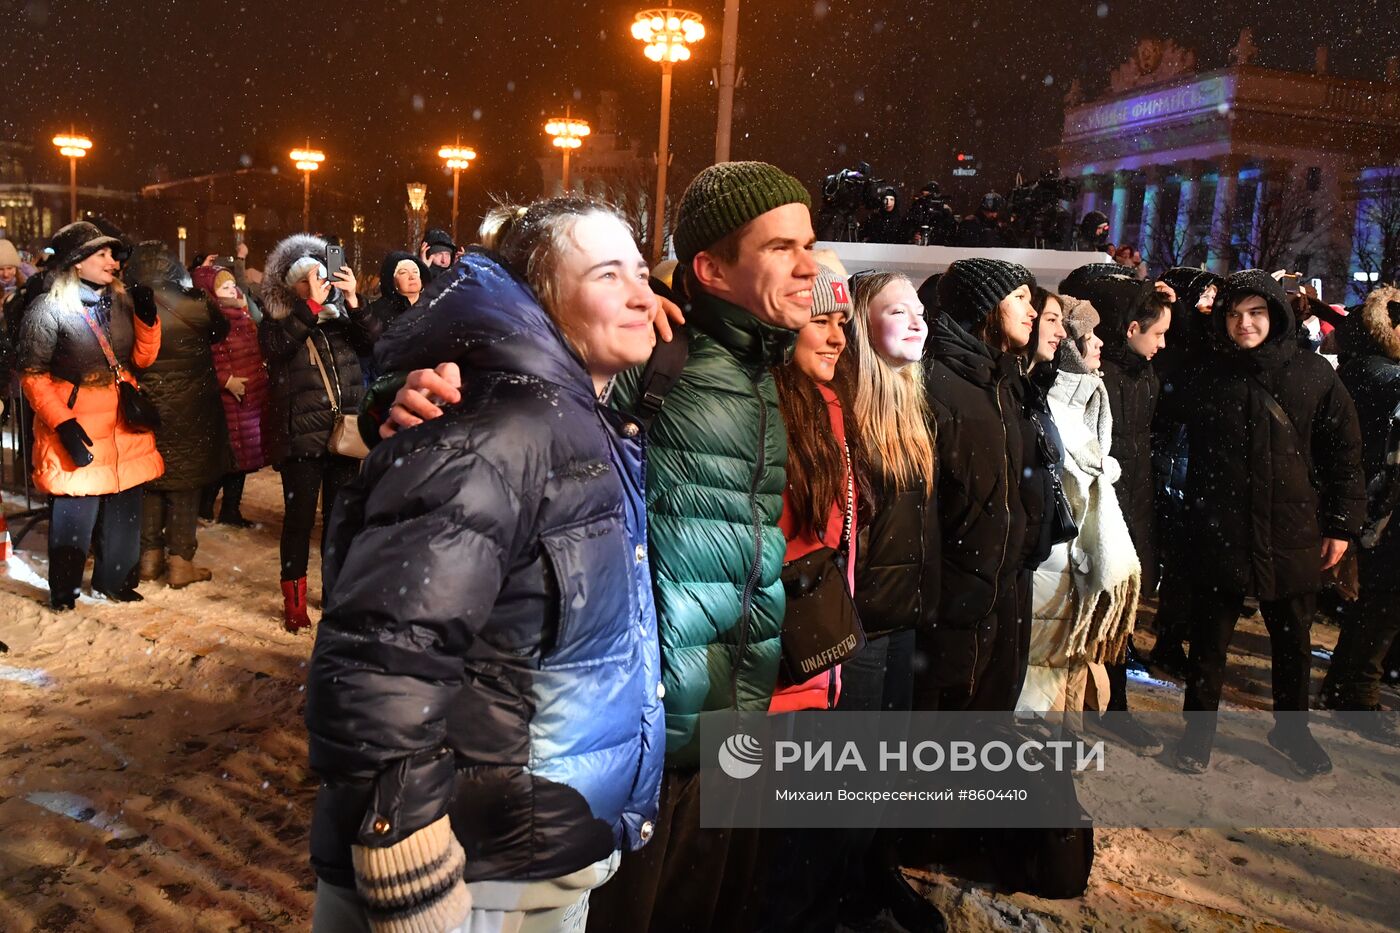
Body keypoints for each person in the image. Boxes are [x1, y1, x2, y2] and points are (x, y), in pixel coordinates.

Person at [378, 162, 818, 933]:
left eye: (808, 245)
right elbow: (500, 385)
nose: (809, 266)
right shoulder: (657, 361)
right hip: (623, 745)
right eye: (784, 247)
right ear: (712, 269)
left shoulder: (753, 368)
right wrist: (404, 395)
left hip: (725, 717)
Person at [305, 197, 664, 932]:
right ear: (541, 299)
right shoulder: (495, 433)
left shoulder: (582, 420)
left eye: (639, 268)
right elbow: (383, 660)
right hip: (479, 875)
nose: (640, 293)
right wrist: (409, 866)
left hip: (535, 850)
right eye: (606, 274)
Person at [1175, 270, 1364, 776]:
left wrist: (1342, 525)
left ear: (1276, 314)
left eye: (1256, 312)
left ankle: (1292, 731)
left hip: (1292, 530)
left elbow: (1345, 454)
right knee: (1210, 640)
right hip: (1221, 528)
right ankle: (1197, 734)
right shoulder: (1205, 371)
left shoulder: (1313, 374)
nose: (1244, 324)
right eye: (1235, 314)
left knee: (1294, 641)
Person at [17, 222, 164, 609]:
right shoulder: (48, 309)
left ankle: (114, 580)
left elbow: (142, 360)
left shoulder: (121, 302)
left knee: (125, 506)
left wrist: (149, 322)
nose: (111, 261)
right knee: (75, 511)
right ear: (76, 263)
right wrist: (62, 423)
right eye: (100, 254)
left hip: (122, 422)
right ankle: (64, 591)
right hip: (77, 422)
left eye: (112, 254)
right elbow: (33, 376)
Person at [1061, 276, 1173, 754]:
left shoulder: (1146, 374)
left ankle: (1112, 704)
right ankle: (1095, 711)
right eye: (1158, 333)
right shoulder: (1097, 375)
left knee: (1120, 621)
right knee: (1091, 616)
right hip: (1107, 508)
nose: (1163, 344)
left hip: (1135, 505)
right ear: (1131, 328)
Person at [1018, 295, 1142, 715]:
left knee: (1059, 681)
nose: (1100, 344)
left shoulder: (1078, 404)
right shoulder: (1048, 405)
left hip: (1065, 574)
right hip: (1051, 571)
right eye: (1089, 335)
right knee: (1041, 688)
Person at [923, 258, 1036, 711]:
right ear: (986, 308)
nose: (1031, 311)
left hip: (991, 591)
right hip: (952, 604)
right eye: (1021, 299)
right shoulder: (939, 384)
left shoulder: (999, 380)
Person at [259, 234, 370, 632]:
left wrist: (354, 300)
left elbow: (374, 343)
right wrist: (309, 308)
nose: (319, 282)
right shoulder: (276, 324)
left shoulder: (340, 322)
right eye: (308, 278)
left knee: (339, 521)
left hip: (344, 436)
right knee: (300, 521)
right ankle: (295, 603)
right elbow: (278, 349)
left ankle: (336, 594)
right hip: (301, 439)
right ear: (293, 287)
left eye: (320, 274)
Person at [1319, 286, 1400, 745]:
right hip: (1382, 505)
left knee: (1373, 604)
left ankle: (1347, 687)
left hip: (1359, 500)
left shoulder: (1355, 370)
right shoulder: (1390, 379)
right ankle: (1356, 694)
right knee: (1382, 606)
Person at [125, 243, 230, 588]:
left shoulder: (126, 302)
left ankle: (148, 556)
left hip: (146, 407)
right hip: (192, 405)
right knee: (185, 483)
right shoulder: (195, 303)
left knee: (150, 480)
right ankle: (181, 561)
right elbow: (220, 331)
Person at [194, 263, 270, 528]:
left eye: (232, 285)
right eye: (225, 287)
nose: (233, 290)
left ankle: (230, 509)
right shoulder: (208, 322)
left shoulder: (243, 315)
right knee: (225, 459)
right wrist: (225, 381)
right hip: (226, 401)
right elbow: (201, 362)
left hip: (248, 399)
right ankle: (204, 507)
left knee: (244, 460)